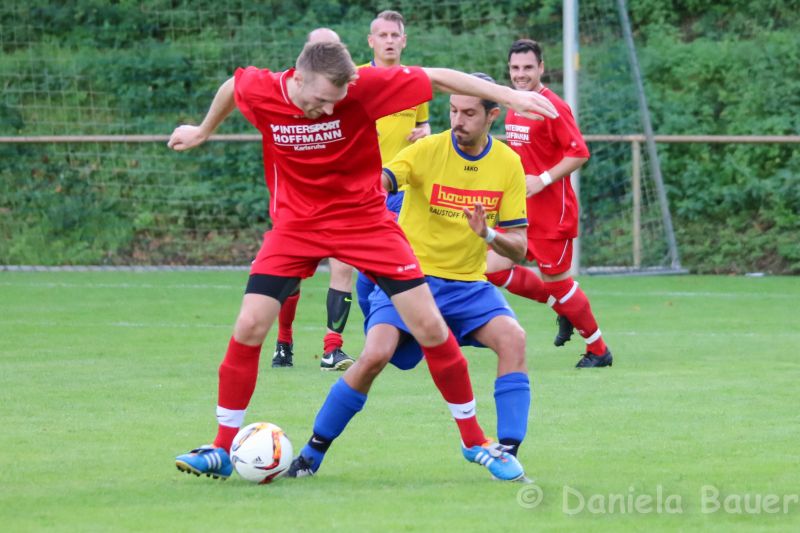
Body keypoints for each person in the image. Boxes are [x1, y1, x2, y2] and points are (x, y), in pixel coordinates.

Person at [168, 39, 558, 481]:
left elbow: (434, 77)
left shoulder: (361, 88)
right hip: (296, 226)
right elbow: (231, 86)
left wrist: (510, 96)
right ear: (298, 78)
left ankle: (474, 441)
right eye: (321, 100)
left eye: (336, 101)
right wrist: (202, 130)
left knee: (430, 327)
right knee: (250, 324)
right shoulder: (263, 89)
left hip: (364, 222)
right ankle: (221, 447)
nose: (328, 109)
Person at [286, 74, 532, 482]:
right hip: (409, 282)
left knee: (514, 339)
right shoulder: (427, 150)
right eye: (453, 111)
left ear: (493, 115)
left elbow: (520, 248)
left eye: (469, 113)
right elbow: (383, 179)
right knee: (374, 355)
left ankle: (507, 452)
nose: (458, 121)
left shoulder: (508, 164)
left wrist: (488, 234)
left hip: (468, 286)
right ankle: (312, 453)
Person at [486, 39, 612, 368]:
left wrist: (541, 180)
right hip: (519, 212)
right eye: (515, 68)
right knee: (492, 269)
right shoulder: (514, 104)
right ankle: (564, 305)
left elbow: (579, 153)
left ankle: (598, 350)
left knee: (558, 281)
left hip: (552, 214)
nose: (521, 74)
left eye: (528, 67)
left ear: (541, 68)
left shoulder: (552, 106)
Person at [272, 26, 356, 371]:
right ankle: (283, 343)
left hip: (341, 199)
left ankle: (332, 348)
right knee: (290, 277)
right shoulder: (290, 94)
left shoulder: (349, 91)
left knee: (344, 267)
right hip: (297, 203)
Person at [354, 10, 431, 315]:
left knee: (400, 263)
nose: (389, 41)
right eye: (382, 35)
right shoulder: (355, 79)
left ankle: (398, 326)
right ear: (371, 41)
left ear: (404, 41)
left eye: (394, 35)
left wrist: (425, 131)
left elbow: (423, 126)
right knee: (366, 270)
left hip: (402, 190)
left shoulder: (414, 81)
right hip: (364, 189)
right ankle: (375, 325)